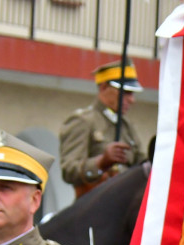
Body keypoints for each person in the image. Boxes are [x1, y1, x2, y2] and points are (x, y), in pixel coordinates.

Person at [59, 58, 146, 198]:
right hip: (93, 204)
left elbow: (141, 162)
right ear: (104, 87)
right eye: (126, 92)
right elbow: (69, 171)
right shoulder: (83, 121)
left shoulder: (126, 126)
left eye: (132, 94)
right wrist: (100, 162)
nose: (132, 100)